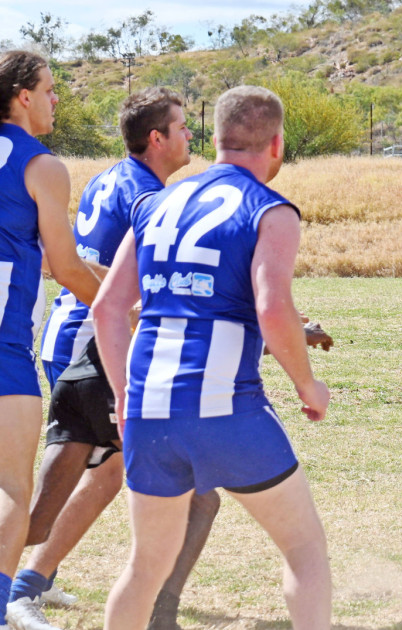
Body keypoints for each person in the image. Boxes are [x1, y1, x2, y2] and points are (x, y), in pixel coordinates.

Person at [91, 85, 332, 630]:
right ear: (277, 145)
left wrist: (127, 398)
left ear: (216, 138)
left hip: (151, 412)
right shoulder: (271, 209)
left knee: (144, 566)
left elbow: (107, 311)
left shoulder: (154, 202)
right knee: (304, 550)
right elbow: (273, 311)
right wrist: (307, 386)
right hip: (228, 408)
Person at [0, 50, 103, 629]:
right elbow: (64, 267)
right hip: (4, 349)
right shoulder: (41, 164)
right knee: (12, 488)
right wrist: (122, 314)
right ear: (22, 96)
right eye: (49, 88)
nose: (55, 98)